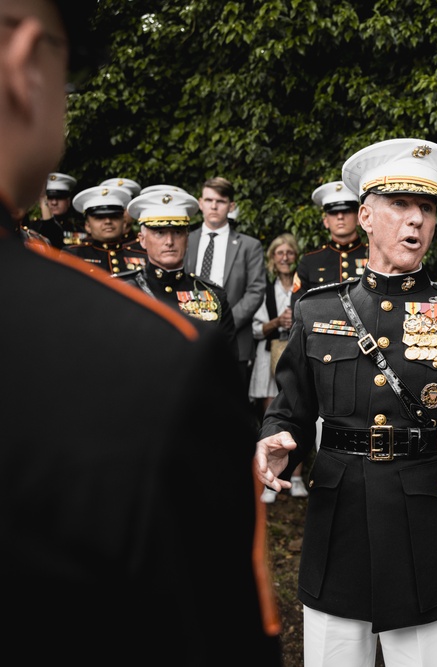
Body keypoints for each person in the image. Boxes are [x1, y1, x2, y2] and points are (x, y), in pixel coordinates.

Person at [0, 1, 281, 663]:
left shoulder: (194, 305)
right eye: (70, 74)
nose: (169, 241)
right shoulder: (144, 352)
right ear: (25, 64)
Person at [255, 138, 437, 666]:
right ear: (365, 215)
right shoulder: (316, 310)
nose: (416, 221)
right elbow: (290, 405)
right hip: (338, 525)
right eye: (400, 205)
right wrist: (275, 439)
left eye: (427, 209)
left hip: (428, 530)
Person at [116, 188, 237, 356]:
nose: (169, 242)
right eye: (160, 232)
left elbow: (227, 365)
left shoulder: (213, 295)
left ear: (187, 238)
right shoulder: (120, 291)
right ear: (142, 240)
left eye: (178, 232)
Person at [186, 175, 267, 395]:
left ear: (231, 206)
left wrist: (224, 322)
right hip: (187, 337)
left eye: (220, 201)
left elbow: (256, 290)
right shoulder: (185, 240)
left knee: (231, 414)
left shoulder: (249, 246)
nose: (214, 206)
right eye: (209, 200)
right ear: (200, 203)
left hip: (235, 342)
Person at [250, 232, 309, 503]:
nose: (284, 258)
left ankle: (295, 477)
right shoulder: (264, 289)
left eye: (289, 252)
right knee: (272, 415)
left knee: (297, 410)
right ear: (273, 259)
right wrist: (277, 322)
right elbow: (255, 329)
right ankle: (267, 481)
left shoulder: (304, 288)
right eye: (279, 253)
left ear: (295, 256)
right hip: (269, 356)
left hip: (298, 357)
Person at [291, 179, 367, 303]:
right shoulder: (310, 262)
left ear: (359, 217)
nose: (340, 217)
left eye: (347, 211)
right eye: (333, 212)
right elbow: (297, 305)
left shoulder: (375, 257)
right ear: (325, 221)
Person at [62, 183, 147, 274]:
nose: (108, 221)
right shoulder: (73, 255)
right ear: (88, 226)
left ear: (123, 223)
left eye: (114, 216)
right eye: (100, 217)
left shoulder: (143, 256)